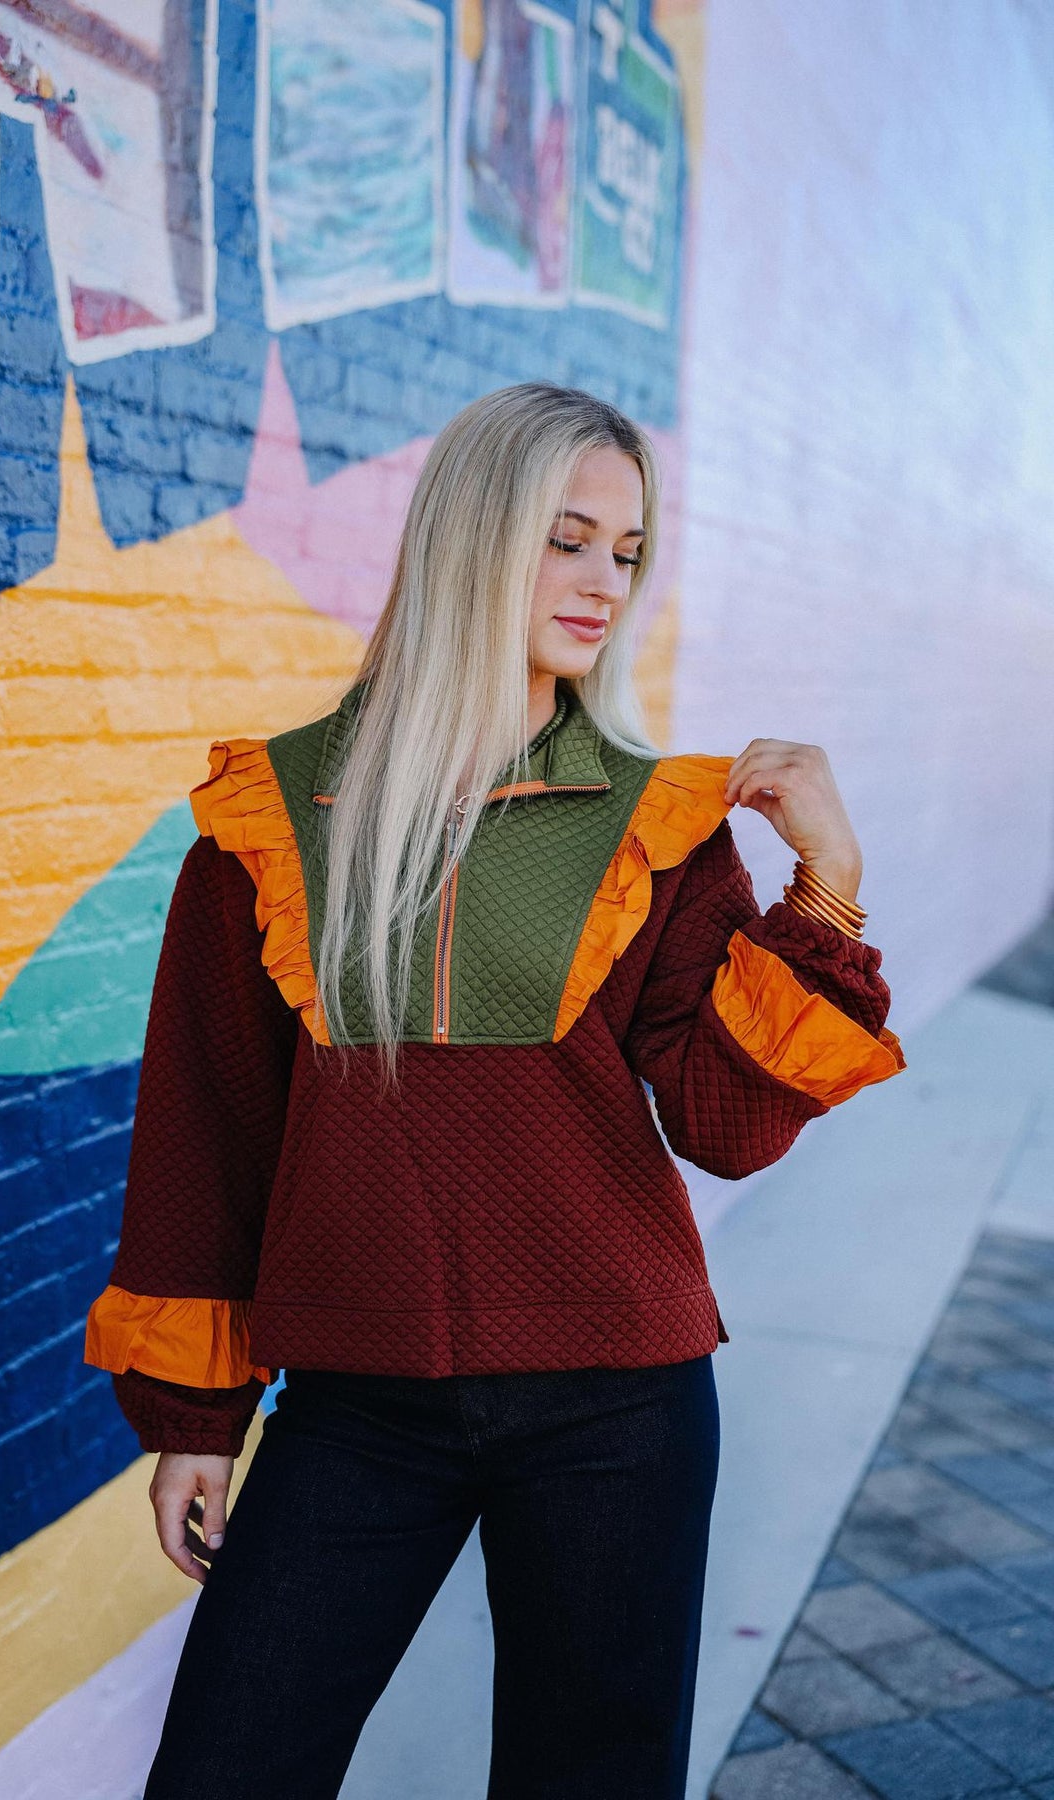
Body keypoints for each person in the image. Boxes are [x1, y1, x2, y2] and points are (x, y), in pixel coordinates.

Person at [83, 381, 905, 1799]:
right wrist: (194, 1423)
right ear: (472, 536)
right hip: (356, 1404)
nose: (603, 585)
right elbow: (208, 1136)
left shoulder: (658, 823)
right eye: (566, 540)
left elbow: (723, 1129)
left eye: (626, 553)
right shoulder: (271, 818)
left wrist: (824, 887)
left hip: (620, 1408)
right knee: (226, 1767)